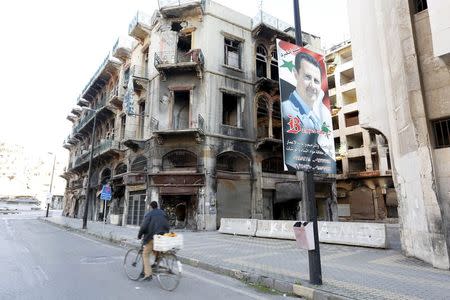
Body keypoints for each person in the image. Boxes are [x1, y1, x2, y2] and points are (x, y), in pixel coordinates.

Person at [281, 51, 335, 173]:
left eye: (316, 81)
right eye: (307, 77)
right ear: (296, 74)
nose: (312, 85)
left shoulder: (316, 118)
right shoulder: (286, 110)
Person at [137, 201, 170, 281]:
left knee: (145, 254)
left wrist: (139, 235)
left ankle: (148, 274)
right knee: (156, 250)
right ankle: (156, 263)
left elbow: (144, 226)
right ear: (157, 206)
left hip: (153, 237)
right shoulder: (163, 213)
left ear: (151, 207)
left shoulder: (149, 214)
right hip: (164, 236)